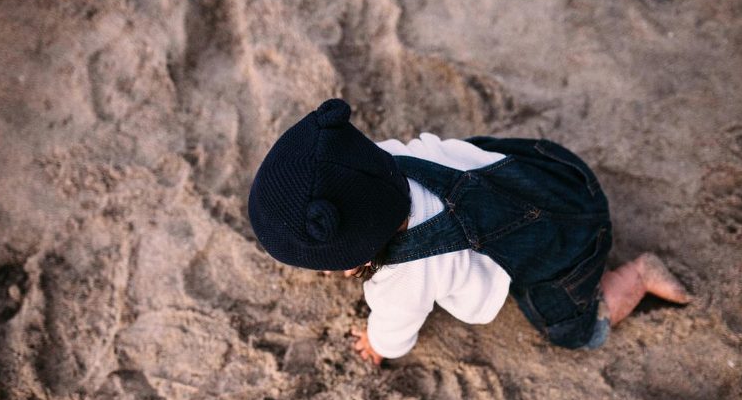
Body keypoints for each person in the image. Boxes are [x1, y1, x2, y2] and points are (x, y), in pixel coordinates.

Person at [248, 99, 692, 365]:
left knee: (576, 331)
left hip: (567, 250)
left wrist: (377, 344)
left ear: (357, 259)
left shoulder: (402, 279)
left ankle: (636, 277)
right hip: (556, 175)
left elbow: (396, 328)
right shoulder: (381, 161)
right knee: (478, 155)